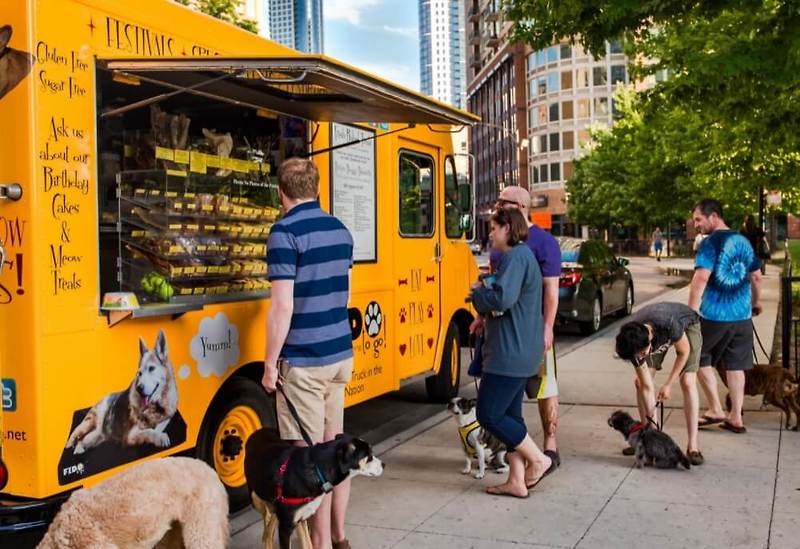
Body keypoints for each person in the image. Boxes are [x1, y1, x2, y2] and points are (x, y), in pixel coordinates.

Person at [262, 158, 355, 549]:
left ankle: (318, 545)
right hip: (339, 355)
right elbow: (341, 292)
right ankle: (338, 537)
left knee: (311, 463)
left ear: (281, 192)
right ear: (316, 189)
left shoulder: (284, 232)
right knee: (337, 453)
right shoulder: (340, 230)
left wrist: (269, 364)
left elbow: (282, 307)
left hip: (304, 360)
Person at [470, 208, 553, 498]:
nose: (490, 233)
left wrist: (477, 295)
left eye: (493, 228)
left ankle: (539, 459)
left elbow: (502, 297)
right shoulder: (521, 257)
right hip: (520, 351)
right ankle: (517, 480)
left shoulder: (516, 257)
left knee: (489, 414)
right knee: (511, 417)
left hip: (509, 353)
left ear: (507, 228)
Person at [480, 185, 562, 470]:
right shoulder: (501, 245)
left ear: (518, 207)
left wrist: (547, 327)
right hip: (502, 333)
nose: (496, 206)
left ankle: (548, 449)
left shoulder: (543, 243)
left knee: (543, 388)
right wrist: (481, 316)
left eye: (502, 202)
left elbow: (551, 290)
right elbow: (494, 285)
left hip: (529, 332)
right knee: (511, 409)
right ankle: (516, 474)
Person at [688, 198, 762, 434]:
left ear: (714, 216)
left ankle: (716, 409)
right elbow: (757, 277)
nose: (696, 225)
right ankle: (735, 417)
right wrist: (754, 303)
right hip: (742, 317)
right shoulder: (744, 241)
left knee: (696, 355)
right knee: (735, 366)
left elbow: (700, 279)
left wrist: (689, 313)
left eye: (698, 219)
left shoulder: (711, 243)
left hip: (715, 316)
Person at [615, 302, 705, 465]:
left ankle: (693, 447)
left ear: (649, 342)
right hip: (655, 331)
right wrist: (654, 434)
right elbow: (647, 386)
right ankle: (645, 437)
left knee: (687, 381)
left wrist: (668, 383)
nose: (640, 358)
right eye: (637, 356)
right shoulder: (633, 339)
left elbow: (683, 353)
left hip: (687, 324)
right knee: (639, 383)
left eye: (642, 354)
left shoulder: (669, 324)